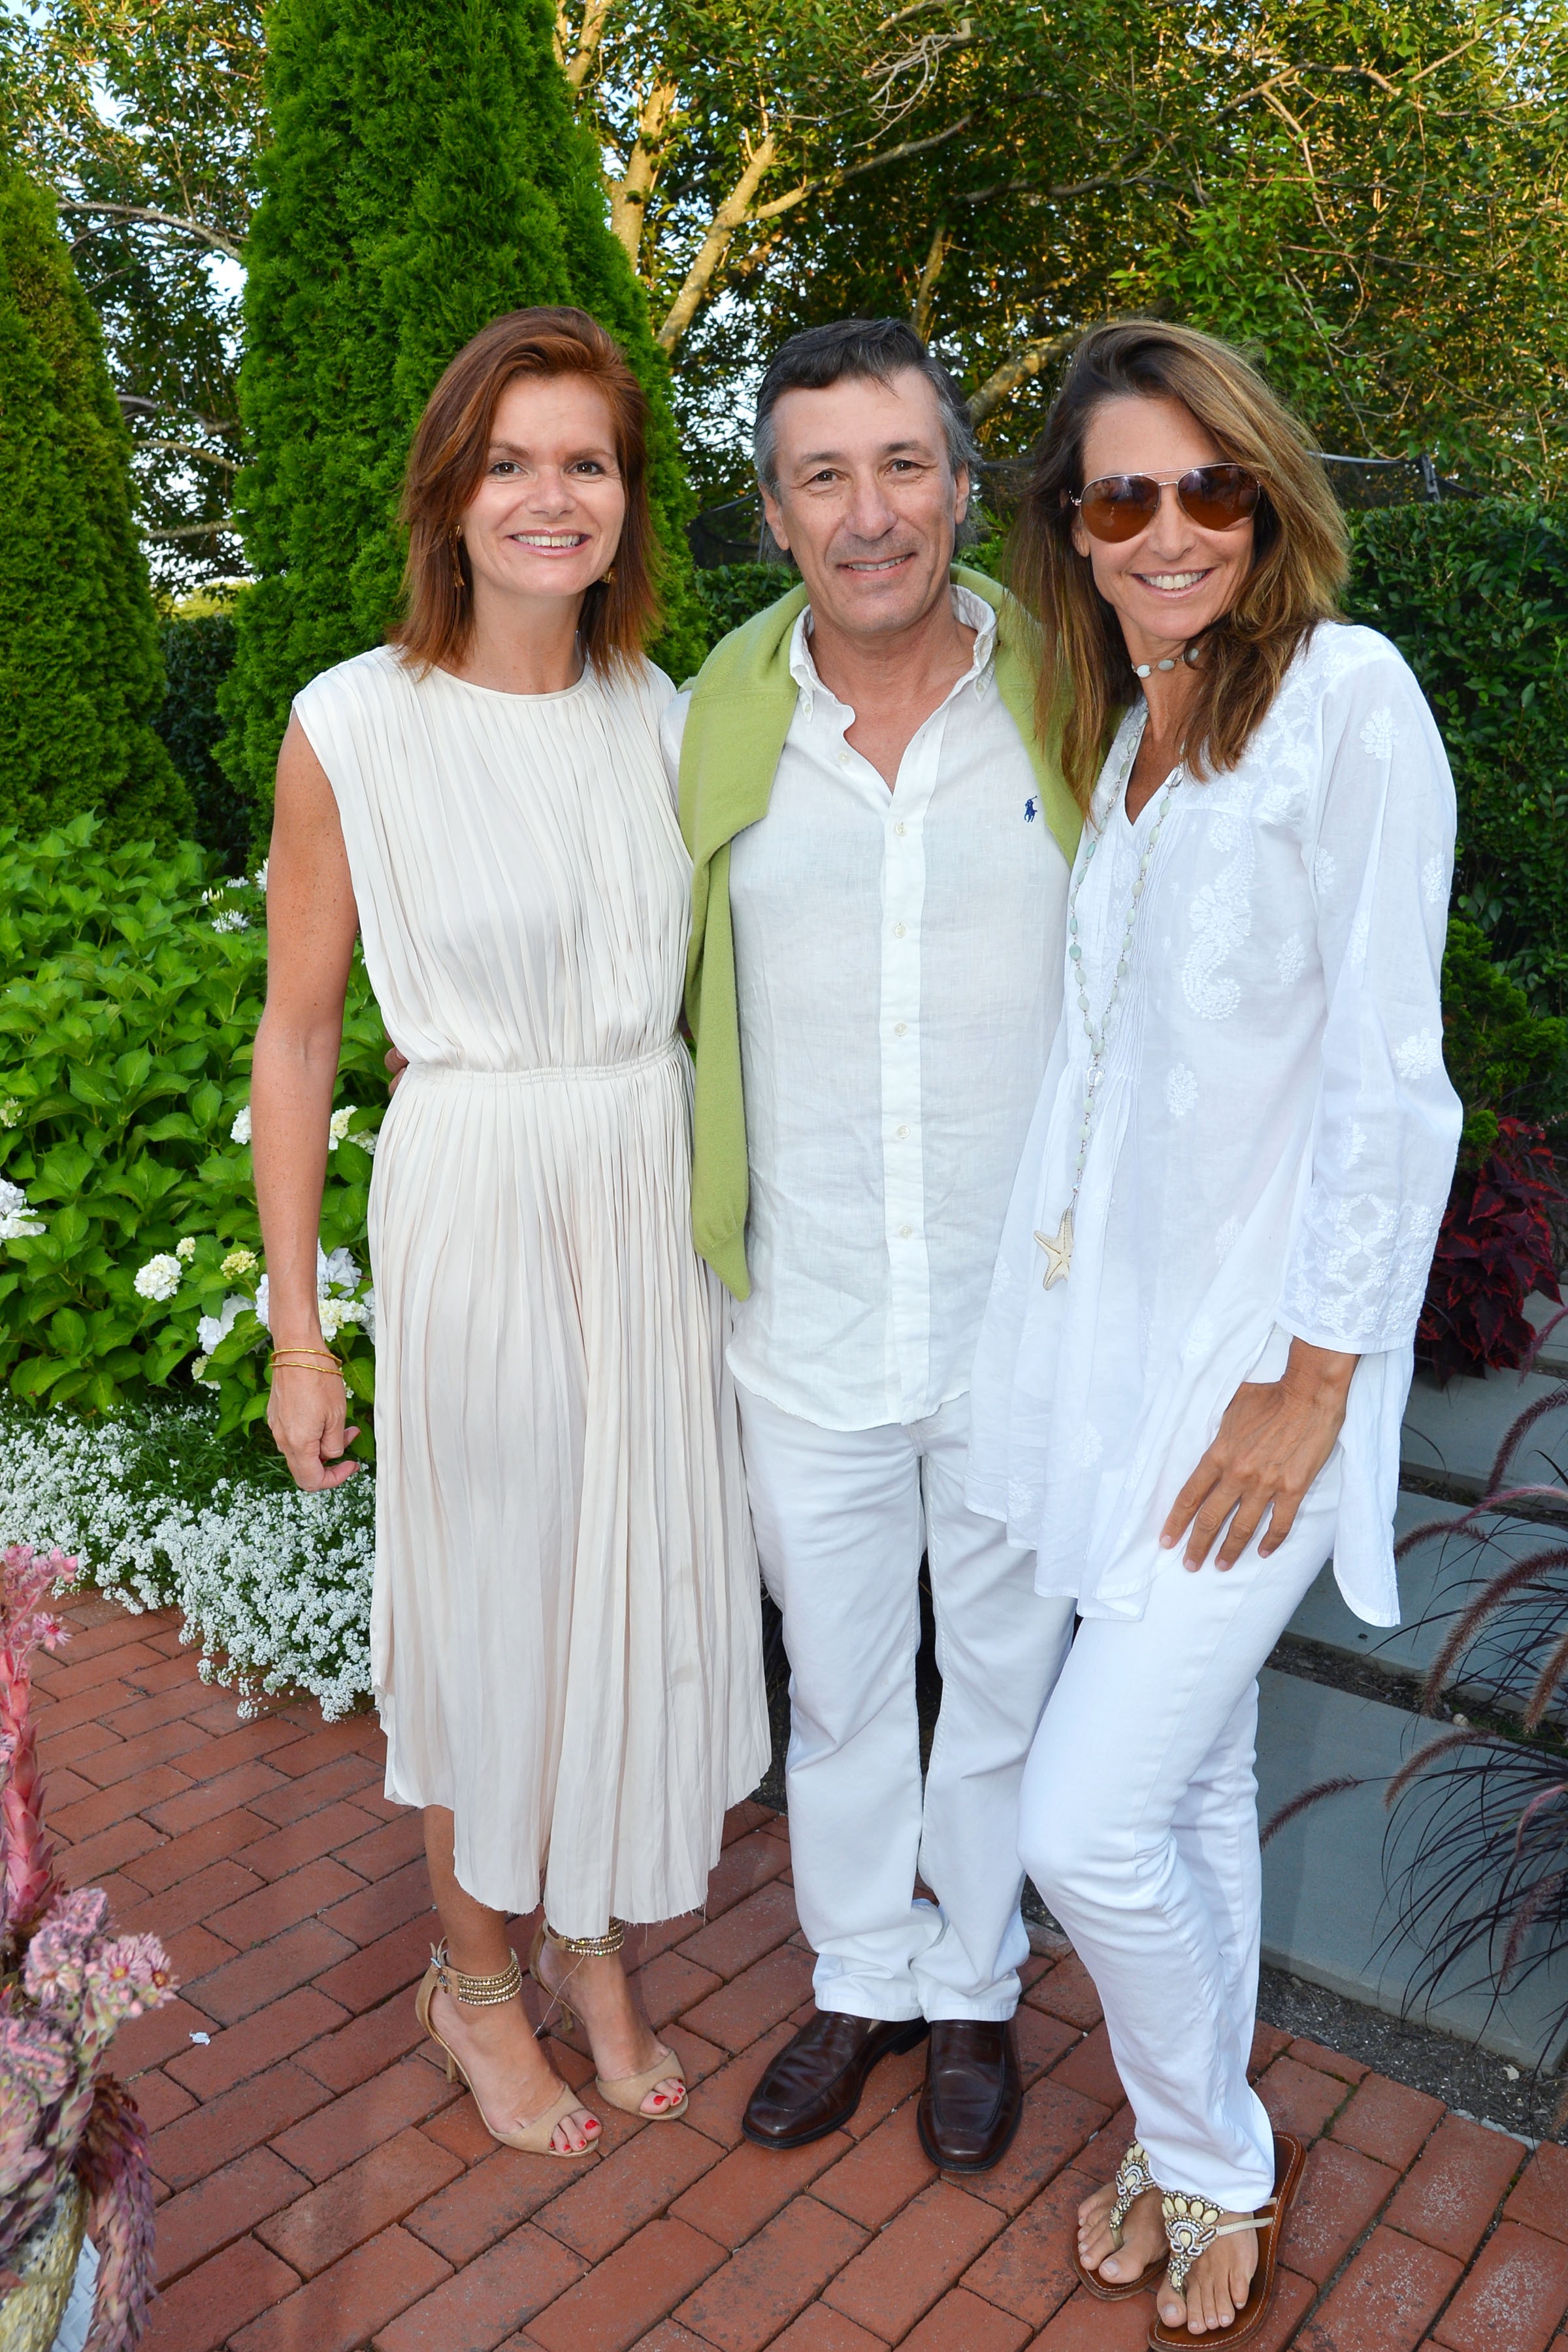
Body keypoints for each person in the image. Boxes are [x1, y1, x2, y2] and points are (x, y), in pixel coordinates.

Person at [966, 321, 1460, 2341]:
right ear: (1075, 536)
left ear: (1270, 500)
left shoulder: (1350, 703)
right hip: (1114, 1356)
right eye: (1121, 498)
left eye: (1210, 489)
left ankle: (1207, 2154)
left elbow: (1389, 1082)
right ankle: (1200, 2139)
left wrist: (1320, 1376)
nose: (1170, 530)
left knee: (1077, 1820)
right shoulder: (1141, 743)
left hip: (1263, 1372)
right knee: (1169, 1792)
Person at [253, 306, 768, 2162]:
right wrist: (301, 1332)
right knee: (494, 1603)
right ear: (450, 496)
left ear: (630, 503)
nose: (552, 496)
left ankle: (592, 1941)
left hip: (641, 1199)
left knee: (627, 1583)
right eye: (513, 461)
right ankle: (473, 1979)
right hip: (477, 1191)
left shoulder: (675, 717)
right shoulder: (353, 727)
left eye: (590, 462)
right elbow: (302, 1033)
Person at [665, 318, 1083, 2170]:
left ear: (966, 484)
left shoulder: (1078, 698)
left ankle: (975, 1996)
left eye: (901, 464)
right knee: (840, 1693)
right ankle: (861, 1982)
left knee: (1001, 1684)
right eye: (823, 475)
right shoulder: (716, 721)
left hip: (1026, 1318)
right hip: (812, 1311)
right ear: (774, 516)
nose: (868, 511)